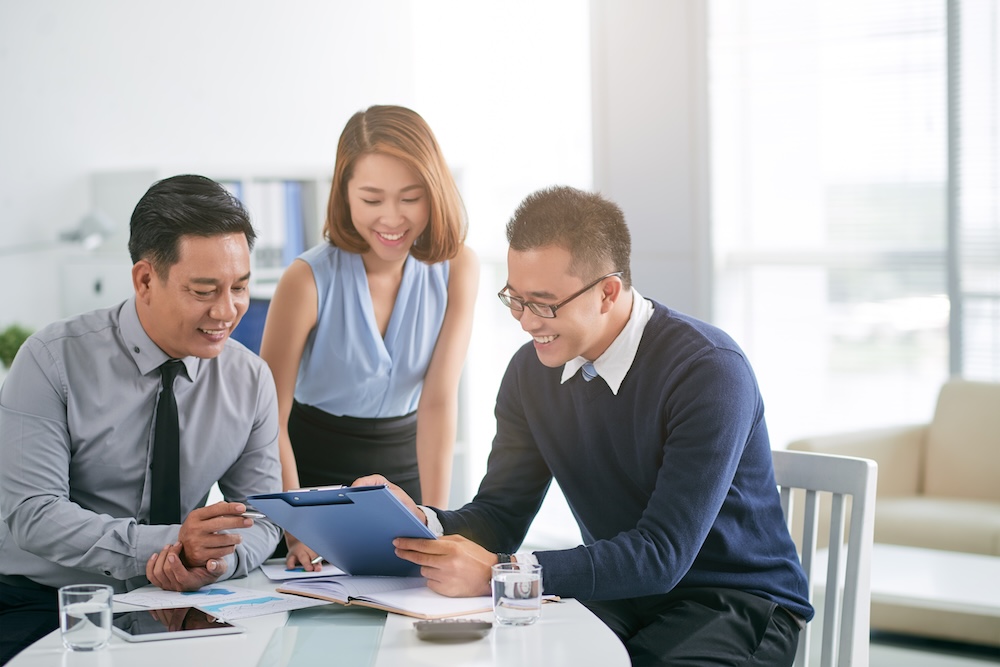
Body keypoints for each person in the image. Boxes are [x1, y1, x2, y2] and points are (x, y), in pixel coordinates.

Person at [358, 186, 814, 666]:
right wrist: (420, 523)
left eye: (544, 303)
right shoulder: (530, 373)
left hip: (736, 601)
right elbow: (500, 516)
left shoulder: (709, 370)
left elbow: (662, 554)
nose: (526, 323)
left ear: (607, 292)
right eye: (515, 299)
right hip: (623, 591)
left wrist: (502, 571)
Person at [0, 175, 282, 665]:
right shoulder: (51, 359)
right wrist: (173, 544)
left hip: (184, 601)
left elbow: (263, 513)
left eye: (240, 287)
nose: (227, 310)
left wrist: (214, 562)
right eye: (203, 290)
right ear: (145, 280)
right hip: (45, 601)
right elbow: (34, 514)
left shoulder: (249, 377)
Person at [259, 105, 478, 569]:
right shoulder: (305, 280)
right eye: (372, 199)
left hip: (403, 484)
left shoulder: (458, 267)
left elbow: (438, 401)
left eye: (410, 197)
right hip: (311, 486)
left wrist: (434, 522)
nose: (392, 219)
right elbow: (268, 418)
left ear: (434, 193)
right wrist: (299, 528)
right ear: (345, 196)